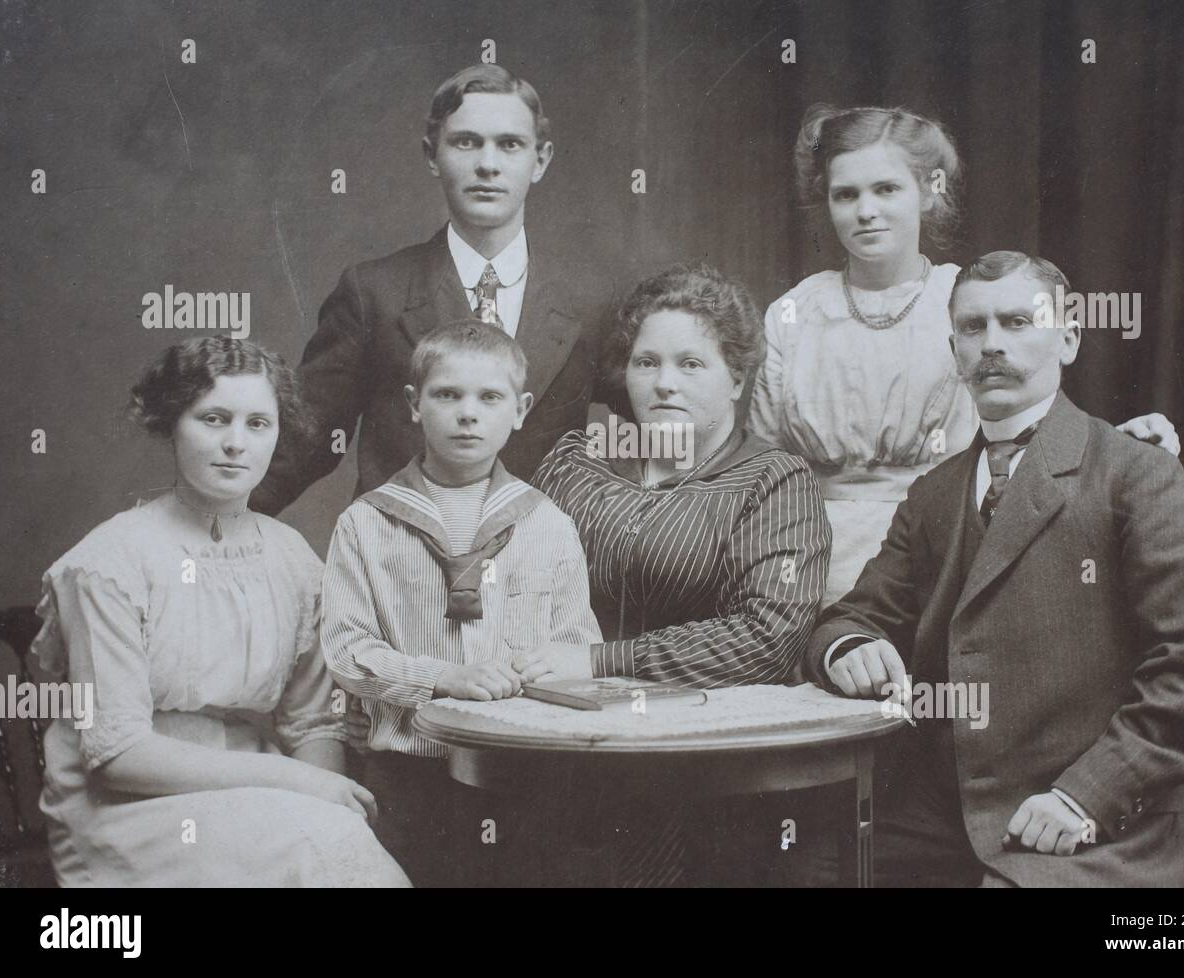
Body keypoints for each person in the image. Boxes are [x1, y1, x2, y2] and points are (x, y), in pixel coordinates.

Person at [805, 252, 1184, 887]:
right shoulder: (935, 494)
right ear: (954, 348)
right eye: (972, 328)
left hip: (1100, 823)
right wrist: (849, 646)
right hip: (949, 816)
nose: (991, 345)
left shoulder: (1137, 474)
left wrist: (1086, 797)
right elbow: (853, 616)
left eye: (1018, 322)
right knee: (801, 871)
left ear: (1067, 338)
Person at [749, 105, 1179, 604]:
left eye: (886, 189)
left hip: (951, 551)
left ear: (930, 191)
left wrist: (1116, 450)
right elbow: (761, 467)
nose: (865, 210)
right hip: (806, 563)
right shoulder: (795, 312)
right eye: (846, 194)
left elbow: (1029, 426)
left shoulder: (971, 300)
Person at [32, 337, 409, 887]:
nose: (236, 443)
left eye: (258, 424)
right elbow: (117, 752)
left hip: (254, 788)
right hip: (128, 809)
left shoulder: (292, 560)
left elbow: (311, 720)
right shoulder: (108, 564)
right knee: (319, 846)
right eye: (213, 418)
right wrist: (292, 786)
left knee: (338, 842)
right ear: (171, 422)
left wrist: (327, 801)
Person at [525, 264, 831, 884]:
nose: (664, 384)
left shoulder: (775, 482)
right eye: (646, 363)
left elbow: (766, 639)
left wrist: (600, 660)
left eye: (692, 365)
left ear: (737, 377)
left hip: (705, 768)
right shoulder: (576, 460)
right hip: (560, 745)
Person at [251, 63, 613, 515]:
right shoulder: (373, 293)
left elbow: (666, 417)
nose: (487, 163)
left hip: (540, 571)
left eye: (509, 144)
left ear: (539, 160)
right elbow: (301, 445)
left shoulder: (592, 303)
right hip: (400, 566)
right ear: (431, 154)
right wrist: (203, 534)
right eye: (466, 142)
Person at [320, 320, 601, 887]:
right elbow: (346, 651)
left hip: (522, 774)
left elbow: (581, 642)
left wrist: (552, 665)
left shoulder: (548, 523)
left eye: (489, 397)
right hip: (407, 775)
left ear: (520, 409)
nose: (467, 413)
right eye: (447, 394)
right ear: (414, 404)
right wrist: (443, 676)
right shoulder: (366, 523)